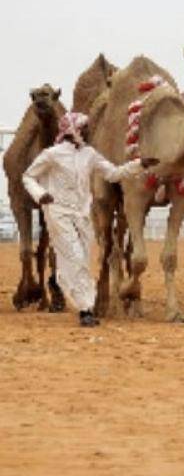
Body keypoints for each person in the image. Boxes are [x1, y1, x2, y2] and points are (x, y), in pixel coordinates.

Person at [21, 112, 145, 327]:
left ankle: (62, 283)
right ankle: (85, 309)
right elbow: (28, 177)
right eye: (85, 127)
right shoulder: (52, 154)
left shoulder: (89, 154)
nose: (88, 131)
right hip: (58, 211)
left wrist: (139, 164)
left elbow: (113, 174)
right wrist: (40, 194)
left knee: (83, 260)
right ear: (72, 130)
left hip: (82, 213)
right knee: (75, 256)